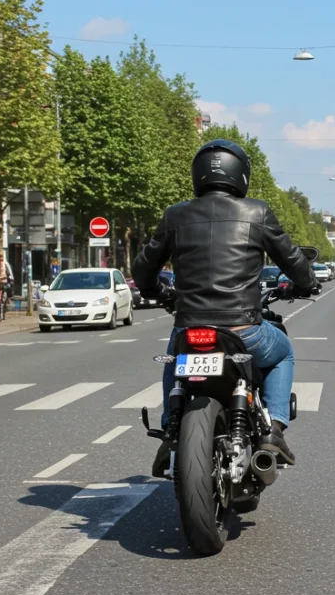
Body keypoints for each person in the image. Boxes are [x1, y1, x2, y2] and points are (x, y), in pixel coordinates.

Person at [133, 139, 319, 478]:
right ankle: (274, 430)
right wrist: (307, 282)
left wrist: (157, 291)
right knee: (283, 353)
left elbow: (142, 268)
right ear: (241, 175)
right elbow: (293, 260)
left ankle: (169, 432)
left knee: (175, 357)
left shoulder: (174, 215)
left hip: (189, 326)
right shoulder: (256, 212)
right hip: (243, 329)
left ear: (198, 174)